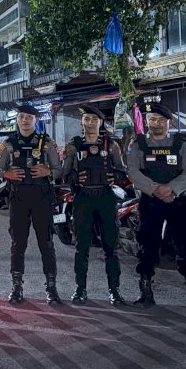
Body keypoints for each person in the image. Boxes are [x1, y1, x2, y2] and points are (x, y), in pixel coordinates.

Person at [126, 103, 186, 309]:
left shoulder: (180, 143)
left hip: (176, 200)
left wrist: (171, 189)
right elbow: (133, 171)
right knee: (146, 243)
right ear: (147, 122)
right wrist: (155, 189)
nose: (156, 124)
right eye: (152, 119)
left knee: (185, 244)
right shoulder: (138, 143)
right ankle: (146, 293)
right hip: (150, 201)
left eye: (161, 120)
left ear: (169, 122)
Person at [0, 103, 62, 305]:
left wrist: (48, 172)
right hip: (18, 198)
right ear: (17, 120)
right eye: (22, 117)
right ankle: (16, 288)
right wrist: (6, 173)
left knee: (47, 244)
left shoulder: (48, 143)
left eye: (29, 117)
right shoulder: (8, 143)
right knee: (18, 244)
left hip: (42, 197)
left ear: (36, 120)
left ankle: (51, 288)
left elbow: (59, 169)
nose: (25, 120)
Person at [61, 105, 127, 305]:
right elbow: (64, 173)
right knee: (82, 248)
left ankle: (114, 291)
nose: (90, 123)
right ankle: (80, 289)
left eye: (94, 120)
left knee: (111, 248)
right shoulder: (73, 145)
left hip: (106, 199)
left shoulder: (111, 145)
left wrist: (114, 176)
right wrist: (74, 177)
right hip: (83, 199)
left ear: (101, 123)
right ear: (82, 122)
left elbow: (122, 171)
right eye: (86, 119)